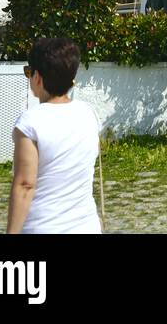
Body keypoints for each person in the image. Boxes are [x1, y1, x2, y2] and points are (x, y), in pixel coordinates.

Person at [7, 37, 101, 235]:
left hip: (43, 226)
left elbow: (25, 184)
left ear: (38, 77)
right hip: (86, 226)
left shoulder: (30, 122)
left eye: (29, 72)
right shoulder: (88, 113)